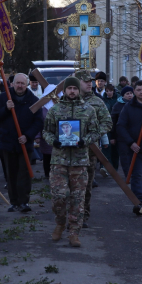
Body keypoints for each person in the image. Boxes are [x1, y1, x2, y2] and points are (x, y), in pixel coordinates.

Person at [43, 76, 99, 247]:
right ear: (65, 91)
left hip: (80, 161)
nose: (72, 91)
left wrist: (85, 140)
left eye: (75, 88)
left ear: (78, 90)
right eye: (69, 89)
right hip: (59, 161)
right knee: (58, 196)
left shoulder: (88, 110)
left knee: (77, 199)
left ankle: (74, 232)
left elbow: (96, 132)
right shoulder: (55, 110)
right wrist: (54, 141)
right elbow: (46, 132)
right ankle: (60, 223)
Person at [0, 73, 43, 213]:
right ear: (12, 84)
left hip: (24, 144)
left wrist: (28, 136)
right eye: (17, 83)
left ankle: (24, 202)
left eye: (22, 83)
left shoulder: (33, 100)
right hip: (8, 143)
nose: (20, 86)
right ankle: (13, 202)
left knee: (24, 174)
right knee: (11, 173)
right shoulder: (4, 98)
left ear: (26, 84)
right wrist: (6, 109)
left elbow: (38, 121)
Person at [75, 70, 112, 227]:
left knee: (87, 187)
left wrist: (91, 136)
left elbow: (107, 123)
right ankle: (71, 216)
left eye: (90, 81)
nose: (89, 83)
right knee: (71, 187)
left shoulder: (97, 102)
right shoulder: (66, 101)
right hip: (69, 152)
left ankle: (83, 216)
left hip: (89, 152)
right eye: (85, 81)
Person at [116, 80, 142, 213]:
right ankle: (138, 202)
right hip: (135, 149)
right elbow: (120, 126)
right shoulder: (128, 107)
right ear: (134, 91)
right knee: (136, 177)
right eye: (138, 90)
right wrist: (130, 143)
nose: (141, 92)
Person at [110, 86, 133, 172]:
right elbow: (113, 121)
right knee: (124, 156)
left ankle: (133, 173)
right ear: (123, 95)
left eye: (131, 93)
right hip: (121, 135)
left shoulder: (135, 103)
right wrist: (113, 136)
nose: (130, 95)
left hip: (133, 134)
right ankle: (127, 174)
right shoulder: (118, 106)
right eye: (127, 94)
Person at [101, 84, 119, 171]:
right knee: (106, 147)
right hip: (106, 125)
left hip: (116, 125)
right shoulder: (103, 100)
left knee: (115, 149)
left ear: (113, 91)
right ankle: (105, 167)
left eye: (110, 91)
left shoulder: (118, 100)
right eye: (107, 91)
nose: (109, 93)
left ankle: (114, 167)